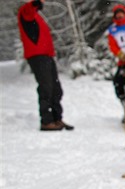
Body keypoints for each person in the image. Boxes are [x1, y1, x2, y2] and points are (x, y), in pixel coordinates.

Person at [17, 0, 73, 131]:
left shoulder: (37, 16)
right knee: (46, 87)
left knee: (56, 88)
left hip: (47, 55)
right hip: (37, 56)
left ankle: (56, 118)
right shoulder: (25, 12)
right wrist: (35, 3)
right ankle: (47, 121)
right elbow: (29, 10)